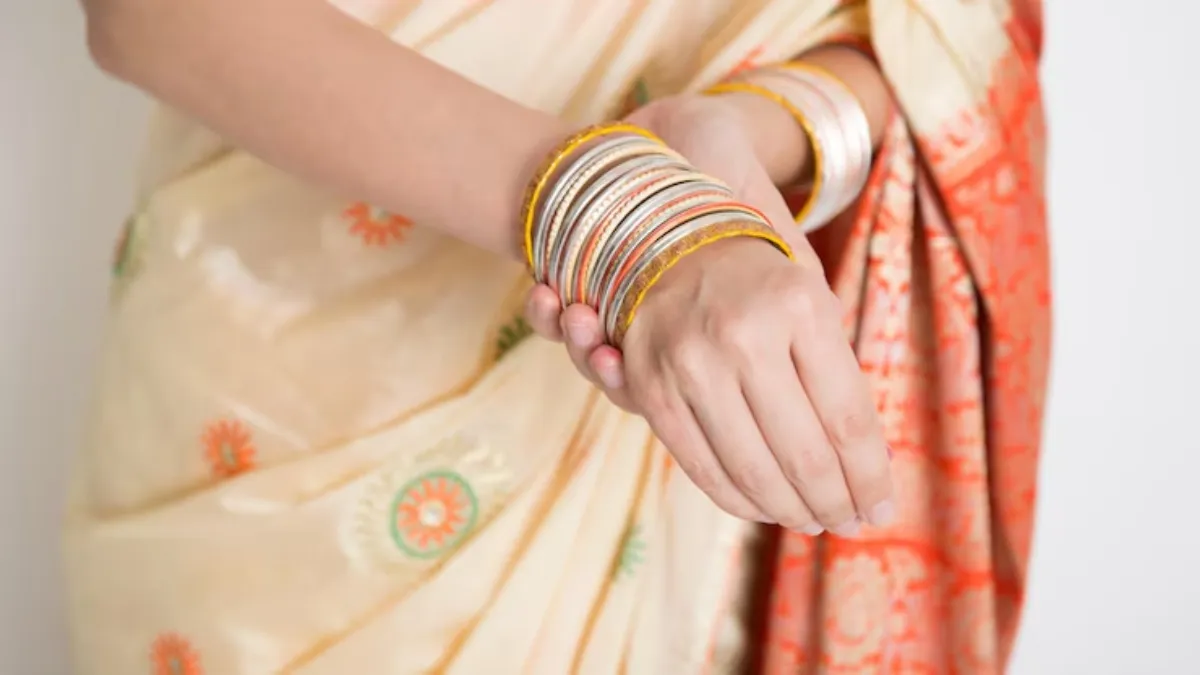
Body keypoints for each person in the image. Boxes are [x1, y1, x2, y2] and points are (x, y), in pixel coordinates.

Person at [67, 0, 1049, 673]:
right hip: (292, 401)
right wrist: (621, 216)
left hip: (690, 391)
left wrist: (724, 147)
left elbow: (934, 38)